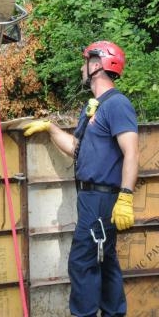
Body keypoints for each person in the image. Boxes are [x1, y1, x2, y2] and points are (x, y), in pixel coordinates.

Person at [23, 41, 138, 317]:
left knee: (83, 261)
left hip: (102, 199)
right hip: (90, 198)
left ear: (97, 65)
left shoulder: (117, 105)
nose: (81, 67)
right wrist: (50, 129)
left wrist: (125, 196)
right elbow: (78, 147)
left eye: (85, 61)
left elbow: (132, 151)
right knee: (105, 261)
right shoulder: (93, 108)